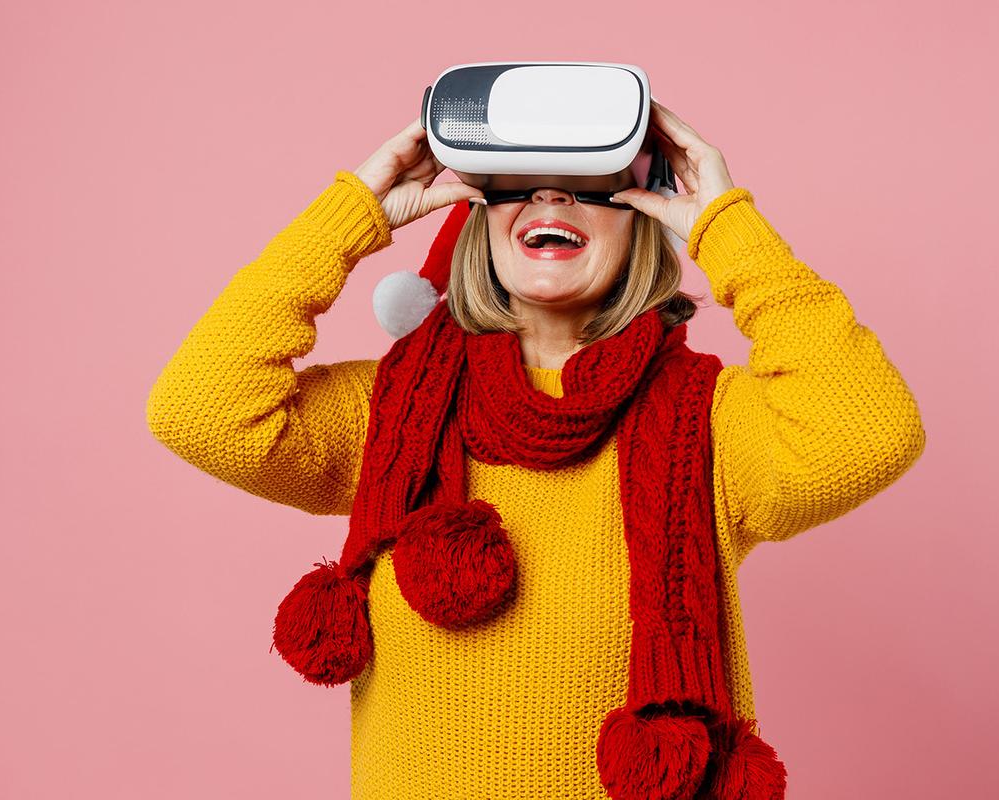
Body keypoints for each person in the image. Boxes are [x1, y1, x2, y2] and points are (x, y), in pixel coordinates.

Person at [146, 100, 926, 800]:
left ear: (649, 216)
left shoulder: (714, 425)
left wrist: (727, 225)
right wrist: (353, 212)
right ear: (477, 216)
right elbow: (200, 407)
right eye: (517, 183)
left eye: (591, 184)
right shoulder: (387, 412)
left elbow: (868, 432)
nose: (551, 197)